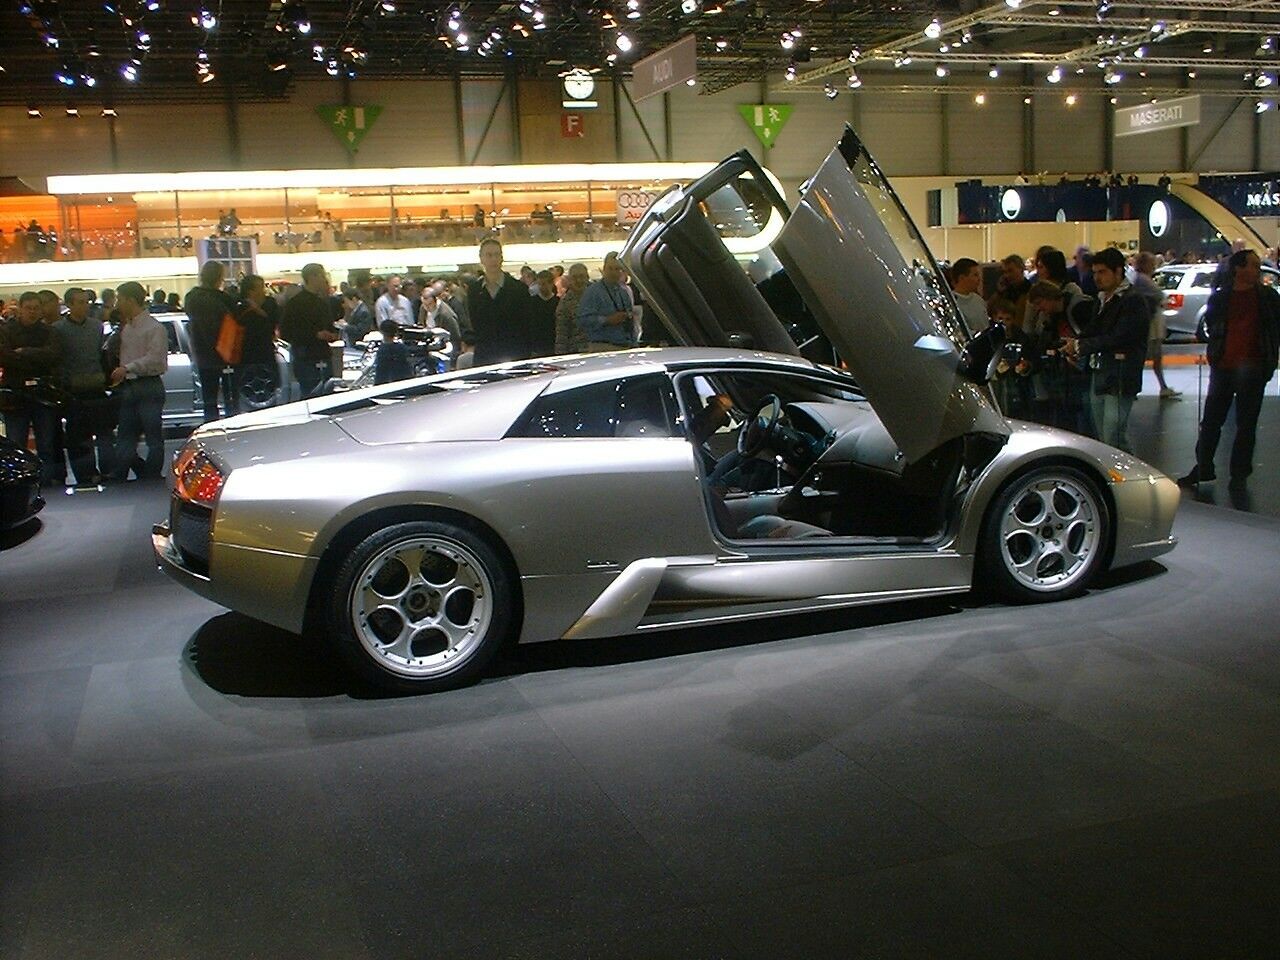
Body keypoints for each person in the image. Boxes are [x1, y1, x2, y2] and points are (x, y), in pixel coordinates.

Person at [1177, 249, 1280, 490]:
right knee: (1212, 421)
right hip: (1225, 366)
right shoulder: (1222, 298)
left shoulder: (1267, 297)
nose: (1257, 270)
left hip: (1253, 367)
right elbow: (1214, 326)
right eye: (1253, 265)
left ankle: (1239, 472)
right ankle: (1204, 466)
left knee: (1245, 424)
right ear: (1238, 269)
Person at [1063, 247, 1148, 451]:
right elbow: (1095, 331)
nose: (1096, 278)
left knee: (1113, 435)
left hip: (1120, 373)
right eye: (1094, 272)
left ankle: (1130, 477)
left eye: (1102, 272)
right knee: (1105, 437)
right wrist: (1076, 345)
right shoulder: (1103, 299)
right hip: (1101, 371)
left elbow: (1119, 336)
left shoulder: (1132, 300)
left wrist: (1080, 346)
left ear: (1118, 271)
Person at [0, 291, 63, 485]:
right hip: (15, 394)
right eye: (29, 308)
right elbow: (4, 356)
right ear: (20, 308)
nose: (33, 312)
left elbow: (53, 355)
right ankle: (20, 486)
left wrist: (24, 353)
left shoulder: (49, 331)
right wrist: (37, 357)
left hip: (42, 393)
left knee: (46, 444)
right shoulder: (6, 330)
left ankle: (44, 485)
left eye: (36, 308)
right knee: (17, 445)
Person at [108, 282, 168, 482]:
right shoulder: (127, 327)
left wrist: (128, 367)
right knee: (126, 434)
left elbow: (156, 359)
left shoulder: (154, 327)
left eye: (120, 299)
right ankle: (125, 474)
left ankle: (149, 475)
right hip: (131, 384)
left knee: (152, 436)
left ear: (130, 300)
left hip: (147, 384)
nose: (117, 304)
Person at [54, 287, 114, 485]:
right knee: (80, 436)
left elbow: (101, 354)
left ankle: (107, 470)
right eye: (79, 302)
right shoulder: (59, 329)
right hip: (74, 389)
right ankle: (85, 474)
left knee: (104, 433)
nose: (84, 306)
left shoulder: (97, 327)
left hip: (96, 385)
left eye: (86, 302)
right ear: (69, 305)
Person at [184, 260, 237, 421]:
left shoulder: (192, 298)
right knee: (231, 398)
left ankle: (211, 426)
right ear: (219, 277)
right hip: (225, 352)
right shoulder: (223, 299)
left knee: (209, 399)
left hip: (203, 354)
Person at [466, 238, 531, 365]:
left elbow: (527, 325)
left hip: (514, 355)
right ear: (481, 259)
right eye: (489, 255)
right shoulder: (474, 289)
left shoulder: (518, 289)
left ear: (502, 258)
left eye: (497, 255)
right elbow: (474, 323)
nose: (493, 259)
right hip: (484, 356)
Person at [281, 262, 340, 396]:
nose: (325, 279)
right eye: (322, 275)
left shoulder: (323, 302)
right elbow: (287, 332)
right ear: (312, 277)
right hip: (306, 357)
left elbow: (329, 326)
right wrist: (315, 335)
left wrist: (331, 334)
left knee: (327, 393)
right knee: (311, 395)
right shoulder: (295, 304)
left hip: (323, 354)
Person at [1130, 251, 1179, 399]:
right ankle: (1158, 387)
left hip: (1150, 322)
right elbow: (1160, 296)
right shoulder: (1144, 280)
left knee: (1151, 356)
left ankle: (1158, 387)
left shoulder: (1138, 279)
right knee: (1151, 356)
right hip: (1151, 324)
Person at [577, 252, 637, 352]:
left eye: (617, 269)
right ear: (604, 269)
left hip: (625, 347)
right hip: (602, 347)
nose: (613, 272)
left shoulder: (623, 292)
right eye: (610, 268)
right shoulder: (593, 291)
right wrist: (607, 320)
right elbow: (582, 320)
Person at [234, 275, 280, 408]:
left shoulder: (269, 304)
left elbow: (273, 322)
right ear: (250, 291)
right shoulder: (238, 306)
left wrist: (258, 310)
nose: (264, 291)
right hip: (245, 357)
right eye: (260, 287)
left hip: (265, 355)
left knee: (270, 393)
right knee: (247, 396)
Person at [555, 263, 591, 355]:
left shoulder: (597, 297)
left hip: (598, 349)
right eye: (575, 277)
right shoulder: (564, 303)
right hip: (576, 352)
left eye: (581, 276)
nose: (578, 280)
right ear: (569, 280)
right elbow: (561, 335)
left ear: (587, 277)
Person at [949, 258, 989, 331]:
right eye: (975, 275)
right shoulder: (952, 302)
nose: (979, 279)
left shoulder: (978, 299)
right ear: (962, 278)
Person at [989, 254, 1031, 321]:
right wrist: (999, 292)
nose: (1007, 275)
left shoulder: (1029, 289)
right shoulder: (1006, 289)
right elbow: (989, 311)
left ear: (1021, 269)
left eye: (1011, 271)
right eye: (1005, 272)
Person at [528, 269, 559, 357]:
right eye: (540, 284)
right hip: (537, 346)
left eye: (544, 284)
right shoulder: (531, 302)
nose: (542, 287)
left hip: (553, 344)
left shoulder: (558, 302)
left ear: (551, 284)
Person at [373, 320, 413, 385]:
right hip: (402, 383)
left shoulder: (382, 350)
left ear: (381, 331)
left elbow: (380, 373)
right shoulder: (402, 348)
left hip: (385, 385)